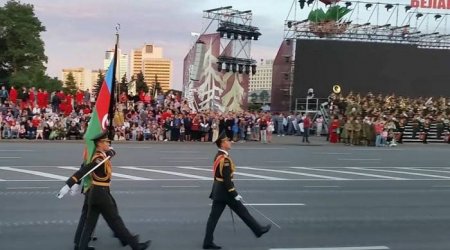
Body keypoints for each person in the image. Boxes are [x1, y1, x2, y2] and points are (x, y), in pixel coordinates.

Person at [57, 131, 151, 250]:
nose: (108, 143)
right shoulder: (98, 158)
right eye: (106, 141)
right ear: (100, 144)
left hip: (95, 194)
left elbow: (111, 153)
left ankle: (82, 247)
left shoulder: (102, 155)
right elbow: (84, 170)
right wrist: (69, 184)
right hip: (101, 194)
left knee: (89, 224)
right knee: (116, 221)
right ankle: (135, 245)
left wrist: (110, 152)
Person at [202, 132, 271, 249]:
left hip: (218, 190)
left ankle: (207, 241)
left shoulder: (218, 155)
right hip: (225, 192)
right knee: (243, 212)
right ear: (223, 144)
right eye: (228, 141)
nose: (230, 142)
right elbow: (227, 179)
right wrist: (234, 193)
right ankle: (258, 230)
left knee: (213, 218)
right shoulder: (225, 159)